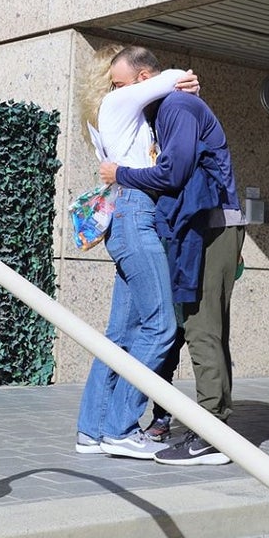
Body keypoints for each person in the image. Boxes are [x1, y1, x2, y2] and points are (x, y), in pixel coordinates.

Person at [100, 46, 245, 466]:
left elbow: (173, 172)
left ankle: (213, 434)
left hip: (211, 226)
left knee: (201, 326)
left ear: (144, 79)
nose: (115, 93)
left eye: (119, 85)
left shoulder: (177, 107)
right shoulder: (165, 110)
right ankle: (181, 422)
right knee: (188, 326)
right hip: (196, 226)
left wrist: (119, 174)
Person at [74, 45, 199, 460]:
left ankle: (92, 430)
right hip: (135, 215)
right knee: (161, 327)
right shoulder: (118, 102)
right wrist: (187, 81)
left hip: (125, 217)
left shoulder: (106, 116)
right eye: (116, 78)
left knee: (120, 336)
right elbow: (174, 74)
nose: (119, 84)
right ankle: (121, 429)